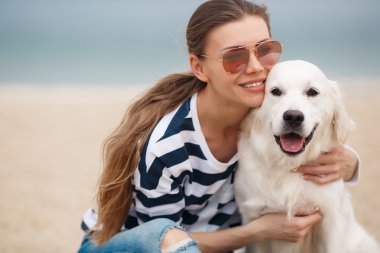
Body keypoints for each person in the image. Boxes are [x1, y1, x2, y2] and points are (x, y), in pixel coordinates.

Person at [78, 0, 359, 252]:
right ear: (199, 68)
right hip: (124, 246)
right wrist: (256, 232)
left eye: (265, 50)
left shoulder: (268, 115)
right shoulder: (167, 148)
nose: (255, 67)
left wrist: (348, 162)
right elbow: (164, 242)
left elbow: (315, 122)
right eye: (234, 57)